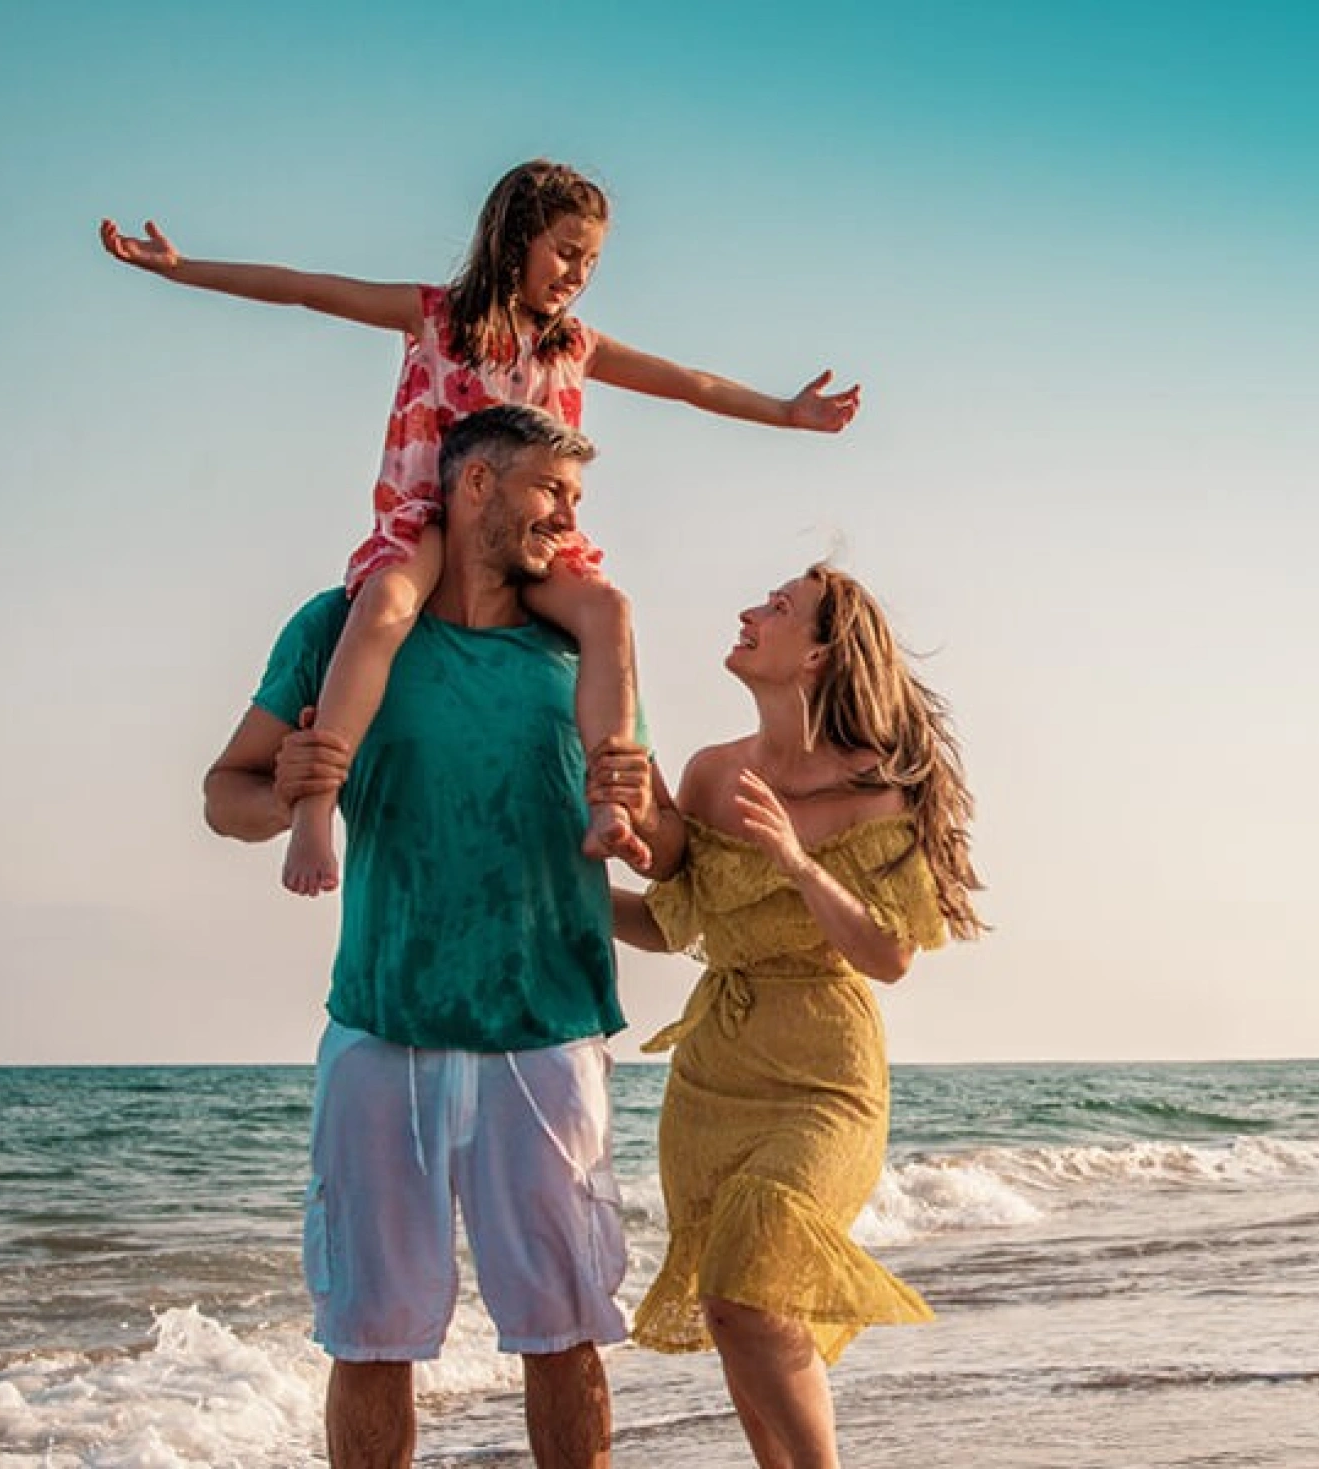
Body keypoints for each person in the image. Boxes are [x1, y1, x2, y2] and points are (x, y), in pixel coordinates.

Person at [102, 158, 860, 896]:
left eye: (592, 261)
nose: (577, 274)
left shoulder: (576, 346)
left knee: (609, 610)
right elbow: (306, 289)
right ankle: (315, 806)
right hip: (434, 521)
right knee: (385, 604)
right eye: (565, 252)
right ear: (514, 240)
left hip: (536, 539)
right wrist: (182, 269)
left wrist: (786, 413)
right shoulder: (435, 317)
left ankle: (610, 803)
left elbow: (690, 384)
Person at [202, 404, 682, 1469]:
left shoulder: (581, 642)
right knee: (369, 1335)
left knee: (565, 1330)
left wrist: (647, 812)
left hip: (549, 1033)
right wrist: (284, 797)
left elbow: (663, 841)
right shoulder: (340, 628)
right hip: (383, 1029)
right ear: (474, 485)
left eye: (576, 498)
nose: (569, 520)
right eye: (550, 490)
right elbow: (223, 793)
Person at [604, 564, 985, 1469]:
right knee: (733, 1306)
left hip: (825, 1076)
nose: (749, 612)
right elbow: (670, 925)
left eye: (778, 608)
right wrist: (557, 891)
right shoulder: (710, 773)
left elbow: (889, 955)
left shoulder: (876, 791)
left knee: (754, 1274)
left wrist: (795, 859)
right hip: (715, 1073)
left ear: (817, 654)